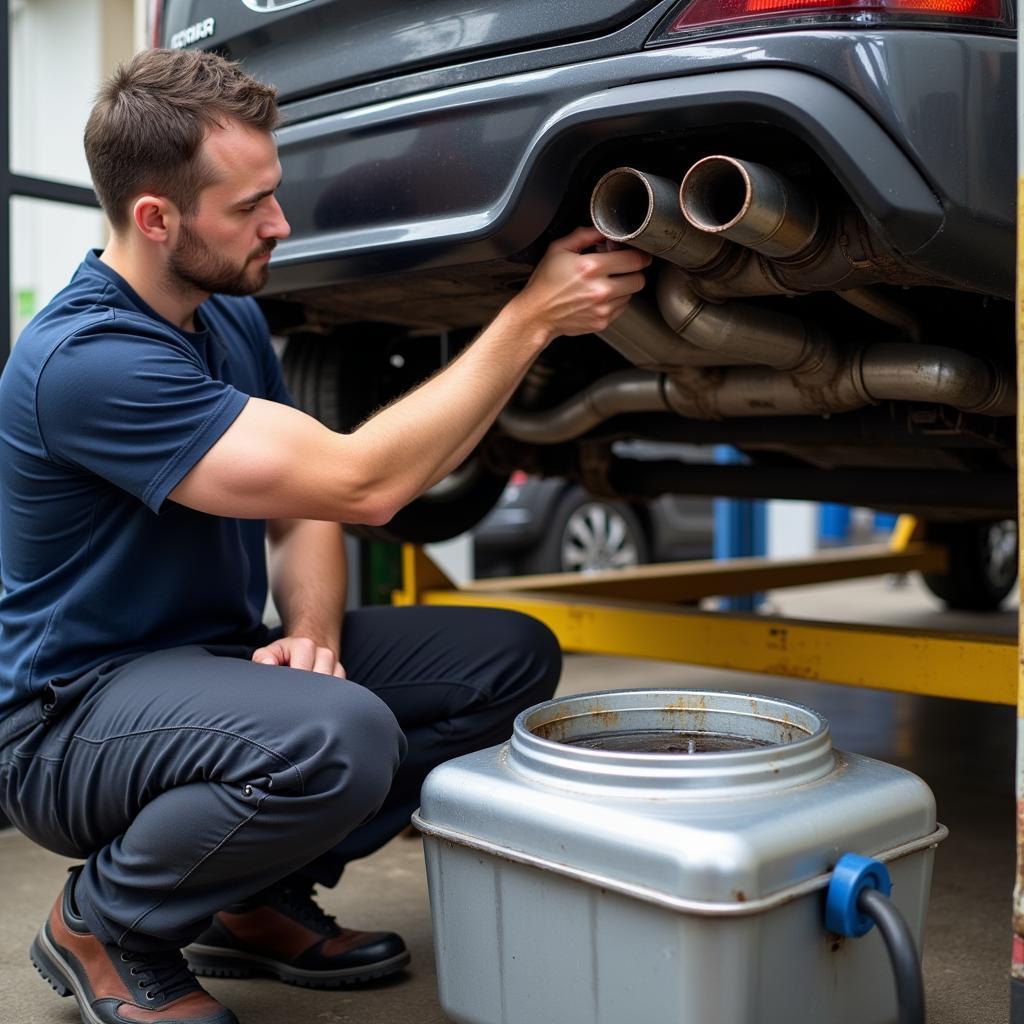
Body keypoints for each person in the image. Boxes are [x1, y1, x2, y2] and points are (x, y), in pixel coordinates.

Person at [0, 48, 649, 1024]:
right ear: (155, 218)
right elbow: (368, 483)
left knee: (507, 659)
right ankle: (104, 920)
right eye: (251, 205)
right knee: (335, 736)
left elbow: (308, 500)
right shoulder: (85, 362)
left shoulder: (223, 317)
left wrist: (317, 637)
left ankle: (245, 892)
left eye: (277, 191)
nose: (281, 224)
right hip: (68, 721)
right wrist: (529, 319)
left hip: (205, 667)